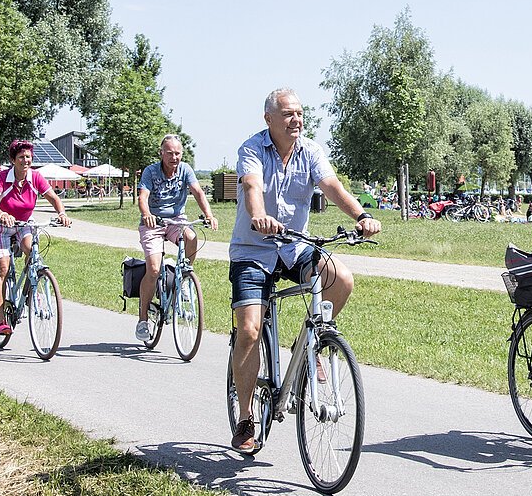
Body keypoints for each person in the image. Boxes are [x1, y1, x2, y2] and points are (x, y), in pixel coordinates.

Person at [228, 88, 379, 454]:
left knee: (341, 278)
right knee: (249, 330)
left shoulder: (310, 151)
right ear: (269, 119)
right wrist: (259, 215)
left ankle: (306, 349)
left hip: (295, 247)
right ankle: (246, 417)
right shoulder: (252, 149)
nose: (296, 120)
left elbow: (332, 186)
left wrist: (361, 215)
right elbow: (252, 187)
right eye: (288, 114)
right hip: (254, 250)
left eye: (299, 113)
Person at [135, 134, 218, 341]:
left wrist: (209, 214)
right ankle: (143, 319)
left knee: (191, 237)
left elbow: (198, 192)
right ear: (161, 153)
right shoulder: (150, 171)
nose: (174, 157)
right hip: (153, 222)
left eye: (177, 153)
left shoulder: (185, 170)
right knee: (153, 269)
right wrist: (146, 215)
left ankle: (183, 276)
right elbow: (143, 197)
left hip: (176, 220)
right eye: (170, 153)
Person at [0, 141, 72, 335]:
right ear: (13, 160)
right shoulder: (2, 178)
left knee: (31, 251)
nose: (25, 160)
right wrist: (2, 215)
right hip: (0, 224)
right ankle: (0, 320)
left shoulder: (36, 177)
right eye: (21, 157)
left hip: (23, 223)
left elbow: (54, 198)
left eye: (28, 157)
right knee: (3, 268)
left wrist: (62, 213)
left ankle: (32, 286)